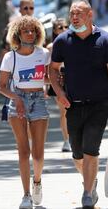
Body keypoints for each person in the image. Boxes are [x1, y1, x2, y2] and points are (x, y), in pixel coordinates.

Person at [49, 0, 108, 208]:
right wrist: (59, 92)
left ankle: (87, 193)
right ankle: (90, 183)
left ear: (90, 14)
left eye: (79, 13)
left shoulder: (105, 40)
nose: (74, 17)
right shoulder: (62, 41)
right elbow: (53, 69)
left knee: (91, 149)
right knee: (77, 153)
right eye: (72, 14)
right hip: (73, 104)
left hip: (99, 104)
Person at [0, 16, 50, 209]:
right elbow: (2, 86)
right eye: (25, 30)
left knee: (38, 153)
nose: (29, 33)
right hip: (16, 100)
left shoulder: (44, 54)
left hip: (38, 100)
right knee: (23, 150)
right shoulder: (10, 57)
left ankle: (37, 182)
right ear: (17, 34)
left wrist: (56, 80)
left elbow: (46, 79)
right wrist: (16, 98)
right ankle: (26, 194)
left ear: (38, 33)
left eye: (32, 30)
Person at [45, 18, 71, 152]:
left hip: (73, 78)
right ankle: (67, 140)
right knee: (64, 111)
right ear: (55, 30)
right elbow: (46, 68)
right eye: (60, 27)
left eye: (66, 26)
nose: (63, 29)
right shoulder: (50, 47)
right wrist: (45, 86)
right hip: (58, 79)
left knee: (75, 110)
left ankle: (74, 138)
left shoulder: (74, 43)